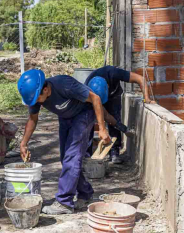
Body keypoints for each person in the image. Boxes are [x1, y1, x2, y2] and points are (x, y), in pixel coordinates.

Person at [17, 69, 111, 215]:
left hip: (84, 114)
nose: (35, 103)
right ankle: (85, 193)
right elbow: (32, 119)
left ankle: (64, 202)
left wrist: (102, 128)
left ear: (46, 90)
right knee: (65, 158)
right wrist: (23, 143)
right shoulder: (36, 94)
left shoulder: (64, 84)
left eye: (37, 99)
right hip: (66, 117)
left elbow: (96, 98)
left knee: (72, 157)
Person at [85, 66, 145, 164]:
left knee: (114, 114)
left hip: (114, 96)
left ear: (108, 86)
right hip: (95, 97)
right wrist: (102, 128)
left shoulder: (114, 73)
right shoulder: (88, 86)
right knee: (88, 121)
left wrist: (147, 99)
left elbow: (140, 78)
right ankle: (86, 154)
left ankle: (114, 152)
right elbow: (104, 114)